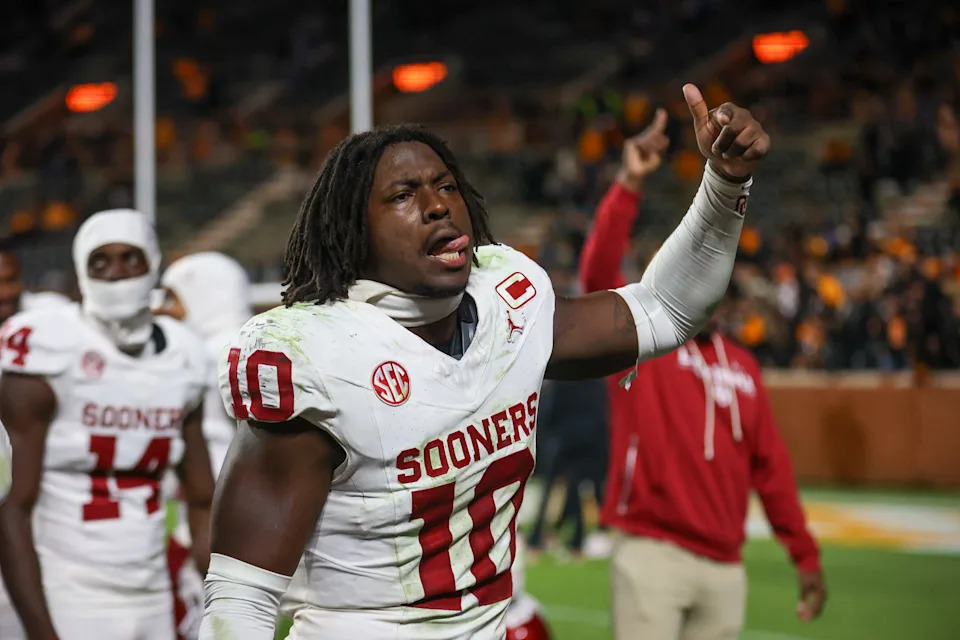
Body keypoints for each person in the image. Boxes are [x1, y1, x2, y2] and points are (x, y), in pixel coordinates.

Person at [199, 84, 769, 640]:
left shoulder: (507, 308)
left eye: (445, 185)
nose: (436, 205)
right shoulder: (318, 359)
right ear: (353, 232)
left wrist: (724, 184)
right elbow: (242, 595)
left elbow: (664, 310)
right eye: (402, 195)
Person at [579, 110, 826, 640]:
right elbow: (599, 276)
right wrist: (628, 184)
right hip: (652, 551)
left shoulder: (744, 366)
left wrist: (803, 553)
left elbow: (771, 467)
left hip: (725, 565)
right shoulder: (642, 340)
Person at [0, 210, 216, 640]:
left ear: (153, 263)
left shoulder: (184, 355)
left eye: (130, 259)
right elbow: (14, 508)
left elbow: (202, 494)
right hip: (69, 589)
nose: (116, 275)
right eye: (100, 262)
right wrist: (41, 631)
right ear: (81, 272)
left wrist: (212, 592)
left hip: (154, 587)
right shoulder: (46, 349)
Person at [157, 251, 254, 639]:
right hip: (218, 494)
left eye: (173, 297)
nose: (168, 309)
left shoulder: (219, 352)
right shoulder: (246, 340)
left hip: (222, 499)